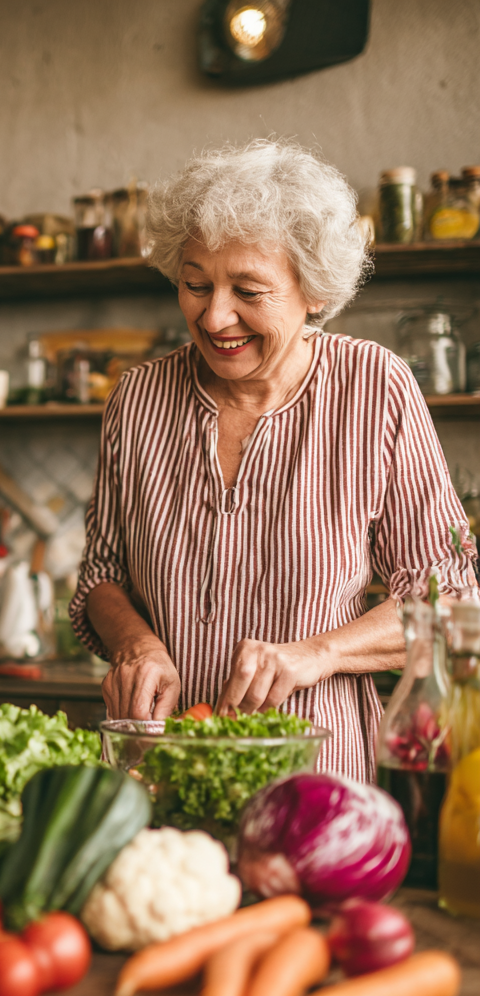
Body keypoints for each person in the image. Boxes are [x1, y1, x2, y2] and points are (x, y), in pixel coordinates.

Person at [70, 140, 477, 780]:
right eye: (195, 285)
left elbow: (448, 597)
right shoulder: (139, 397)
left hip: (315, 774)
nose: (215, 316)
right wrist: (135, 643)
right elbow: (101, 575)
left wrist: (318, 654)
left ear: (312, 291)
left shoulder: (375, 388)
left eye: (249, 290)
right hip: (158, 766)